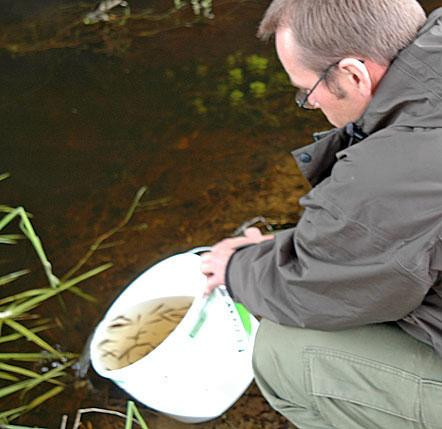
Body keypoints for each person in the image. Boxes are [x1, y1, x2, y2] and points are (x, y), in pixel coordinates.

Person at [200, 0, 442, 427]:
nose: (311, 105)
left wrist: (235, 267)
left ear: (352, 74)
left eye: (307, 92)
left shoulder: (390, 169)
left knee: (282, 352)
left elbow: (312, 287)